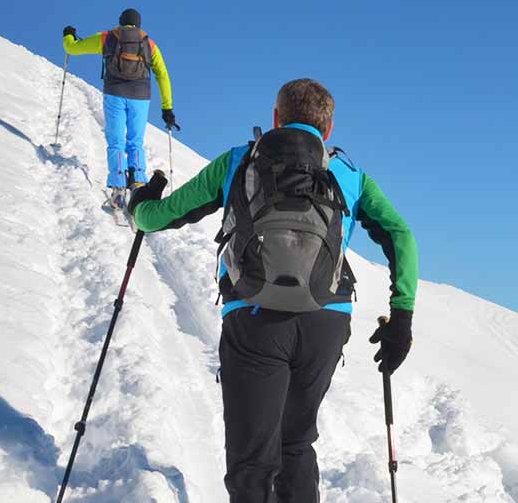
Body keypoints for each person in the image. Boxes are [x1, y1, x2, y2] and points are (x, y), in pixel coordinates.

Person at [127, 79, 418, 502]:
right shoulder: (350, 176)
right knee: (296, 444)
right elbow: (401, 236)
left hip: (255, 318)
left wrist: (142, 201)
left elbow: (158, 218)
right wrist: (402, 318)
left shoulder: (237, 163)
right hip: (325, 319)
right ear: (329, 129)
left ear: (276, 118)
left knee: (252, 460)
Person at [62, 8, 176, 201]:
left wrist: (69, 36)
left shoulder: (108, 37)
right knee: (135, 142)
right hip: (140, 97)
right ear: (138, 24)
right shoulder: (150, 44)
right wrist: (167, 108)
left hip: (114, 93)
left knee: (116, 142)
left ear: (121, 21)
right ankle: (138, 182)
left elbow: (73, 49)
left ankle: (118, 188)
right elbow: (162, 76)